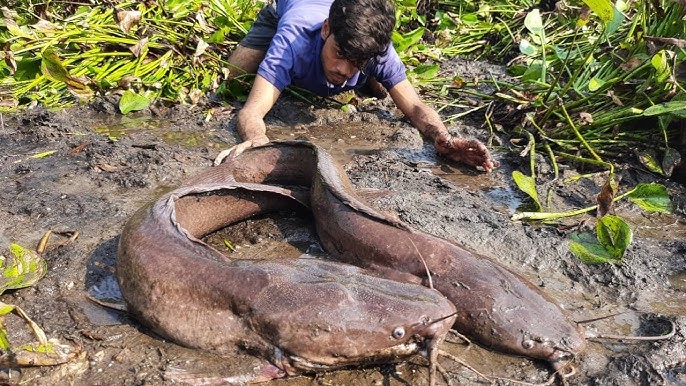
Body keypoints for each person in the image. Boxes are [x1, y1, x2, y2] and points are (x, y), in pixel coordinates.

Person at [214, 0, 498, 172]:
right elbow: (251, 111)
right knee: (233, 76)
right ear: (326, 30)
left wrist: (443, 138)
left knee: (381, 90)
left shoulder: (377, 49)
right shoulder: (292, 40)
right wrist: (256, 139)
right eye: (339, 54)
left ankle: (372, 74)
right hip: (288, 10)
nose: (343, 70)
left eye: (357, 61)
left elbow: (414, 106)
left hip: (346, 23)